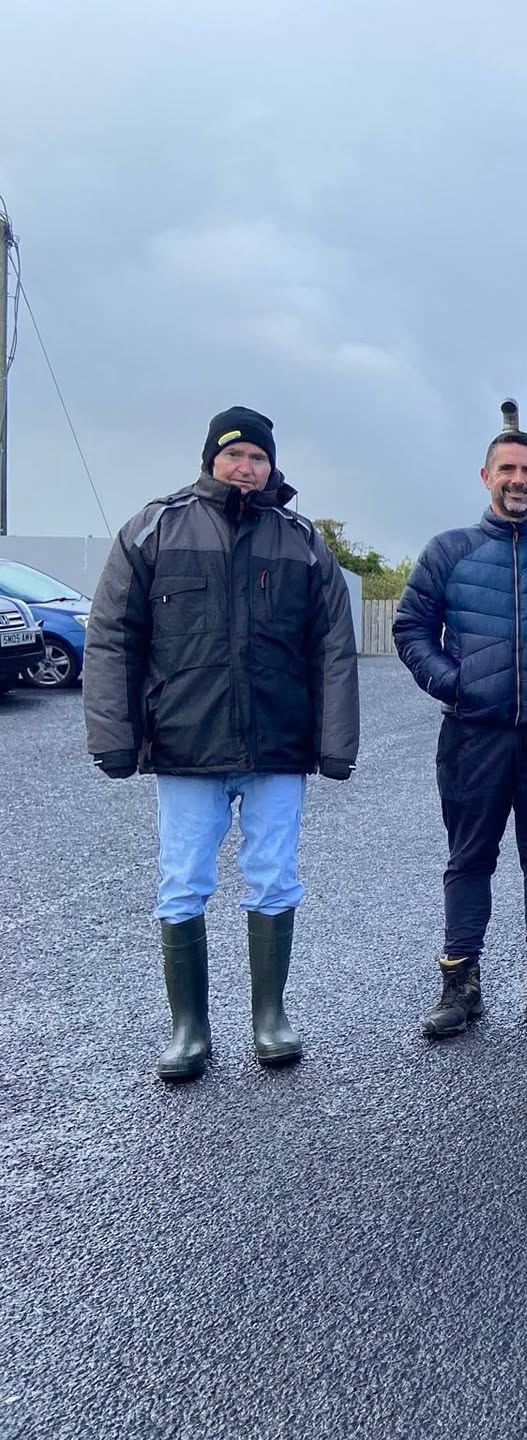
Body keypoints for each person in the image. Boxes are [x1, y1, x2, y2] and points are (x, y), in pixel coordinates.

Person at [84, 406, 359, 1082]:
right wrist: (113, 736)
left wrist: (336, 743)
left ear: (271, 466)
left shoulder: (300, 540)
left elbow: (332, 649)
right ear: (211, 458)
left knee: (274, 877)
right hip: (186, 745)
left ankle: (270, 1018)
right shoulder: (154, 528)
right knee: (182, 883)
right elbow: (113, 636)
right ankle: (189, 1030)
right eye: (235, 456)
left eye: (258, 458)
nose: (246, 468)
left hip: (276, 748)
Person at [393, 426, 527, 1039]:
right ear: (486, 477)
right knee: (469, 858)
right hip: (472, 736)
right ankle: (459, 982)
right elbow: (411, 629)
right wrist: (454, 682)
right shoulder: (448, 551)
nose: (518, 481)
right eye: (507, 470)